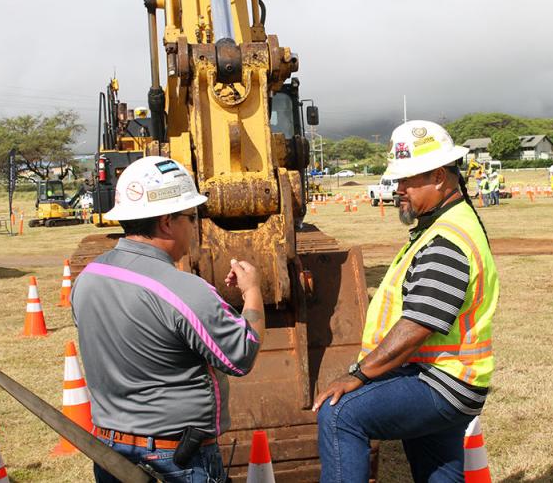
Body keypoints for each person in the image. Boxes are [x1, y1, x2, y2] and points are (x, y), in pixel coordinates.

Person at [313, 120, 499, 483]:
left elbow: (416, 325)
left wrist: (358, 375)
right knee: (439, 470)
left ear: (440, 177)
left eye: (408, 179)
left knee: (339, 415)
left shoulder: (448, 238)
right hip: (448, 378)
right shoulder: (444, 226)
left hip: (441, 382)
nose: (398, 189)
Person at [71, 156, 265, 483]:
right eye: (191, 217)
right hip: (173, 460)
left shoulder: (88, 278)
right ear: (166, 222)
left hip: (110, 452)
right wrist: (253, 292)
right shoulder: (182, 289)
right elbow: (241, 355)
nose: (194, 227)